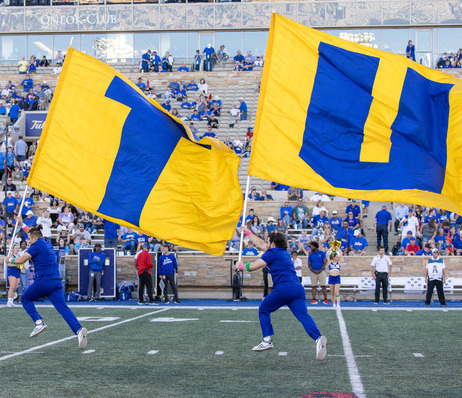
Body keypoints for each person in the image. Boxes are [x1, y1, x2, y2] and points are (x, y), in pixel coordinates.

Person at [238, 229, 327, 359]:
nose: (266, 243)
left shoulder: (272, 253)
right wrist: (247, 232)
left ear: (273, 244)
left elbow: (253, 267)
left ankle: (266, 340)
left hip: (284, 288)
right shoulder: (283, 252)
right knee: (303, 316)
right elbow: (260, 243)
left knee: (263, 309)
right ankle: (318, 338)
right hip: (297, 288)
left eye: (268, 241)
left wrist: (240, 267)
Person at [7, 226, 87, 349]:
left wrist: (9, 259)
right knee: (63, 308)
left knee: (25, 299)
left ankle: (39, 322)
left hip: (44, 281)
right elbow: (32, 231)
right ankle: (78, 330)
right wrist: (22, 223)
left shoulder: (36, 245)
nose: (28, 241)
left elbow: (21, 260)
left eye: (29, 239)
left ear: (34, 238)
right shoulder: (47, 242)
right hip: (56, 282)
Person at [327, 242, 342, 308]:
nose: (338, 258)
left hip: (337, 277)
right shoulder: (330, 262)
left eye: (338, 257)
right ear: (333, 257)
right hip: (331, 277)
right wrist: (331, 248)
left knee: (337, 291)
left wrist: (337, 248)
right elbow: (327, 254)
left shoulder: (339, 263)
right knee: (332, 292)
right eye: (336, 257)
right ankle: (333, 303)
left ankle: (338, 304)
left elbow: (341, 254)